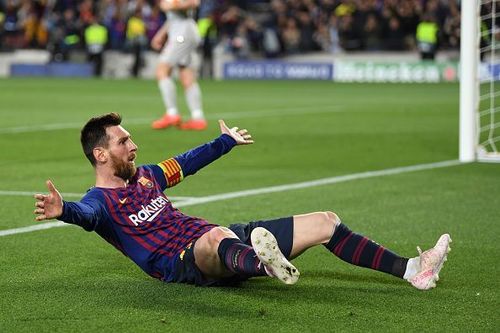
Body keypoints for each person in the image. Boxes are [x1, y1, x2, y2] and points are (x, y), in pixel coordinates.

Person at [34, 113, 451, 289]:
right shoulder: (98, 202)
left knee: (325, 221)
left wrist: (225, 141)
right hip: (179, 262)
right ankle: (263, 264)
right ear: (101, 154)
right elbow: (85, 215)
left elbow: (185, 162)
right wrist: (63, 210)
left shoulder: (146, 177)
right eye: (124, 141)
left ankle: (413, 270)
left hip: (217, 239)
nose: (134, 145)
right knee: (216, 237)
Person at [150, 0, 207, 131]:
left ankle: (172, 113)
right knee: (186, 75)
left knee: (162, 70)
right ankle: (198, 118)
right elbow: (172, 18)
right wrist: (160, 35)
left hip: (182, 35)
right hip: (185, 32)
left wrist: (172, 5)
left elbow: (194, 3)